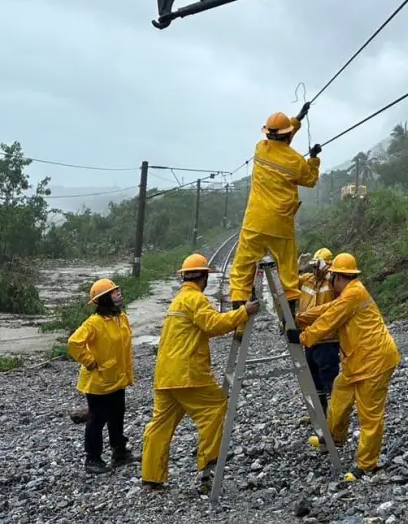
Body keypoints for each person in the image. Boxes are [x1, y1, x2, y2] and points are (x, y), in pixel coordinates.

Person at [141, 253, 260, 493]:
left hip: (166, 375)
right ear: (204, 277)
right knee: (215, 408)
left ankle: (151, 476)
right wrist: (243, 312)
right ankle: (208, 468)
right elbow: (213, 324)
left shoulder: (178, 300)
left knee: (160, 425)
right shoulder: (195, 299)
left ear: (185, 276)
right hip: (188, 374)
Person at [299, 252, 401, 481]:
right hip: (358, 362)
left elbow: (329, 319)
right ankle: (334, 436)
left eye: (333, 277)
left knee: (370, 416)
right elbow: (328, 310)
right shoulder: (350, 293)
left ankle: (366, 465)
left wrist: (303, 337)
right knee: (339, 393)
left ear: (338, 277)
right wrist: (301, 319)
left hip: (375, 362)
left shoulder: (353, 294)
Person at [228, 110, 322, 321]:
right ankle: (288, 318)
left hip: (255, 221)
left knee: (242, 268)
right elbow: (309, 180)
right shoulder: (296, 161)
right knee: (288, 271)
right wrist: (314, 160)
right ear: (288, 135)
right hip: (280, 224)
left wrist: (296, 120)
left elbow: (281, 139)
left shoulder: (260, 149)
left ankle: (238, 311)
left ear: (268, 135)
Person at [67, 278, 138, 474]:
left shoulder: (121, 318)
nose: (119, 294)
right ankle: (93, 459)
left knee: (117, 415)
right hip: (98, 381)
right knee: (97, 419)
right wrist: (89, 361)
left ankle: (119, 453)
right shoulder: (94, 323)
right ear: (104, 299)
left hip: (117, 378)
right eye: (114, 292)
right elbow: (74, 343)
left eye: (118, 291)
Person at [296, 247, 340, 414]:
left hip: (327, 340)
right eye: (313, 266)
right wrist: (296, 267)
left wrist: (327, 270)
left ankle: (334, 416)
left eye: (317, 266)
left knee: (329, 379)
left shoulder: (332, 282)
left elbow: (341, 286)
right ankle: (320, 413)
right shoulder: (307, 279)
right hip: (309, 337)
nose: (315, 269)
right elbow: (287, 282)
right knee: (314, 379)